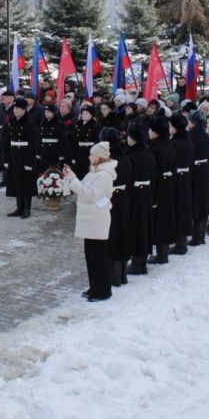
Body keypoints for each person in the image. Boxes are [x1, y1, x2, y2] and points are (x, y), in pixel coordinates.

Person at [64, 141, 116, 302]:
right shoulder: (93, 172)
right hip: (90, 219)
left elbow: (90, 194)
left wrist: (73, 181)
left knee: (98, 257)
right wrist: (71, 176)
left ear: (99, 157)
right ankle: (95, 286)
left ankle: (103, 290)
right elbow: (82, 187)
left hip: (97, 221)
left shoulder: (104, 175)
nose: (89, 156)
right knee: (90, 256)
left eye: (92, 154)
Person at [100, 127, 132, 286]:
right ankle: (123, 274)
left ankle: (114, 275)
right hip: (123, 200)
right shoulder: (125, 157)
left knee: (112, 237)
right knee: (123, 235)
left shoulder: (108, 162)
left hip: (110, 201)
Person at [124, 124, 155, 275]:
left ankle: (137, 263)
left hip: (135, 195)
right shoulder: (148, 153)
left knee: (136, 228)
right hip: (147, 194)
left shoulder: (131, 156)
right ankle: (141, 261)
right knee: (145, 227)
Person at [147, 116, 176, 262]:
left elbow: (154, 173)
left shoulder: (156, 149)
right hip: (169, 185)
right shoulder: (169, 145)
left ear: (157, 132)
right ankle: (162, 253)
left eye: (151, 130)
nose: (148, 132)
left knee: (160, 221)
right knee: (165, 220)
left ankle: (161, 255)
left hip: (159, 187)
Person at [5, 97, 39, 218]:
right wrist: (7, 158)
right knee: (16, 181)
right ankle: (19, 207)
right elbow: (9, 140)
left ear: (24, 109)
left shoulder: (30, 123)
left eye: (18, 108)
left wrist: (29, 162)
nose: (16, 110)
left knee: (26, 182)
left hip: (25, 155)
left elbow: (33, 144)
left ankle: (27, 209)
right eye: (15, 108)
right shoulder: (13, 121)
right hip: (14, 155)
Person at [187, 109, 209, 246]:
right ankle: (200, 236)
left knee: (195, 203)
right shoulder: (207, 136)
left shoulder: (190, 136)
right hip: (204, 171)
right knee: (203, 203)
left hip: (193, 173)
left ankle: (196, 236)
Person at [169, 113, 194, 253]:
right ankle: (182, 242)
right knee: (184, 210)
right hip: (185, 178)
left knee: (178, 210)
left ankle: (179, 244)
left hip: (176, 179)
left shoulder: (174, 143)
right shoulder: (188, 141)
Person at [36, 106, 66, 173]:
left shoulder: (59, 124)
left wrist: (61, 155)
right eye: (46, 112)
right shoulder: (43, 123)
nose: (46, 113)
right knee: (43, 172)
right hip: (44, 151)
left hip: (54, 152)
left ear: (54, 113)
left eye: (49, 112)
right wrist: (38, 152)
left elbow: (62, 141)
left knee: (53, 172)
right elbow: (40, 139)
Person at [73, 105, 100, 178]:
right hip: (79, 152)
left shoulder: (95, 126)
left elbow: (97, 141)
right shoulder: (78, 125)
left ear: (91, 115)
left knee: (88, 173)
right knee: (78, 173)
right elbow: (75, 141)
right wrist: (73, 156)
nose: (84, 115)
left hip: (89, 151)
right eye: (83, 113)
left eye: (86, 113)